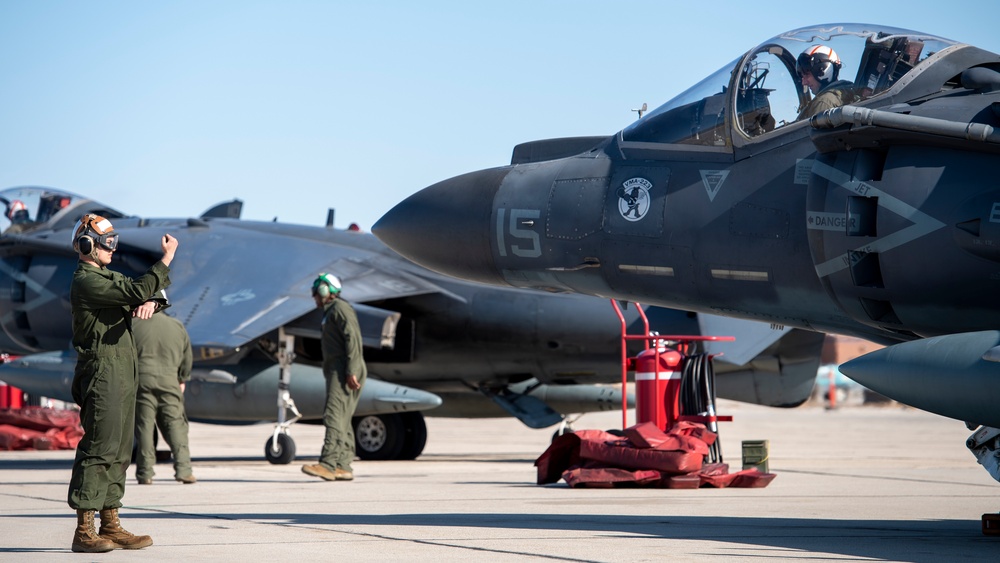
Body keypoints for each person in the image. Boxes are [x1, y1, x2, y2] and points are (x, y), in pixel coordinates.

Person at [67, 213, 177, 553]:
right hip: (102, 371)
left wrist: (152, 300)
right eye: (107, 243)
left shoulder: (104, 275)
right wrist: (166, 260)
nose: (112, 249)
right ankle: (85, 529)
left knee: (118, 451)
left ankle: (110, 523)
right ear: (88, 245)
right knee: (99, 447)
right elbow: (133, 288)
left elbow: (143, 291)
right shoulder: (87, 280)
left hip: (123, 370)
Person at [301, 273, 367, 482]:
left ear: (324, 291)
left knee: (333, 415)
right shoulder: (332, 311)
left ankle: (328, 464)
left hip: (344, 370)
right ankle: (343, 465)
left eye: (316, 293)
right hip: (340, 369)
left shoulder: (340, 308)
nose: (315, 298)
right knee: (343, 418)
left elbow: (353, 339)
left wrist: (352, 370)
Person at [133, 289, 196, 486]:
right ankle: (184, 470)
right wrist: (182, 379)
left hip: (141, 381)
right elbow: (187, 358)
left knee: (144, 427)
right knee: (175, 424)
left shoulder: (132, 324)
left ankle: (145, 473)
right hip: (170, 381)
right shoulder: (177, 326)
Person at [796, 45, 857, 120]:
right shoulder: (846, 92)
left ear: (822, 71)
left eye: (807, 75)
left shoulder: (824, 102)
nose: (804, 82)